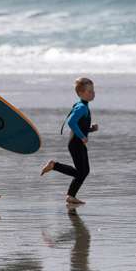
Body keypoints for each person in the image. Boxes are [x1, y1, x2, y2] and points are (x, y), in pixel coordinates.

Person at [40, 77, 99, 205]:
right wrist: (83, 137)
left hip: (76, 143)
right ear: (80, 93)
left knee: (83, 171)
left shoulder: (82, 106)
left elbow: (80, 126)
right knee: (82, 172)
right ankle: (55, 167)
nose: (92, 93)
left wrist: (90, 130)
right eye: (89, 91)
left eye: (93, 91)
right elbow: (71, 122)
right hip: (76, 143)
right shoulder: (82, 108)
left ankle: (70, 195)